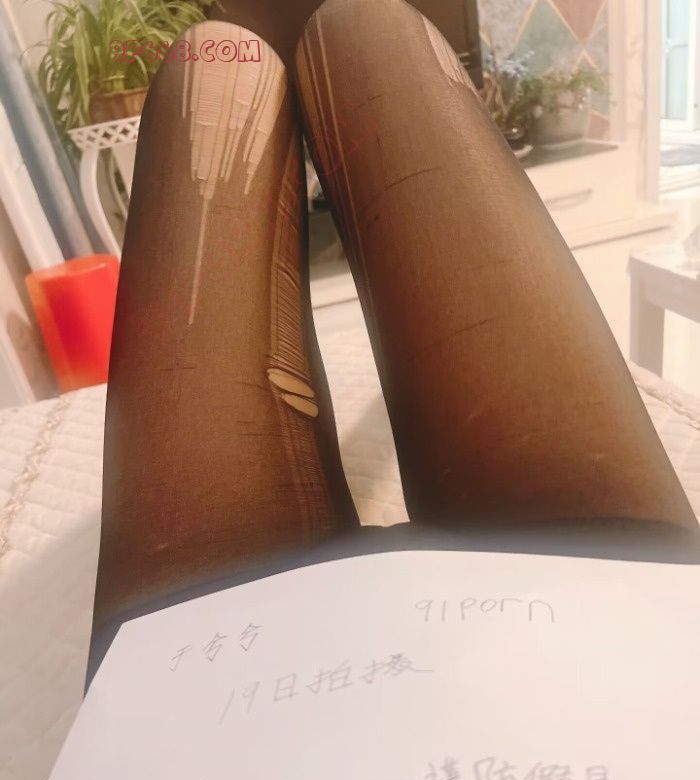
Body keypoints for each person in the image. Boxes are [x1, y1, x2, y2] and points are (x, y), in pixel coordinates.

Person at [90, 0, 699, 675]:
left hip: (184, 675)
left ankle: (282, 54)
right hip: (633, 617)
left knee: (211, 60)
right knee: (361, 26)